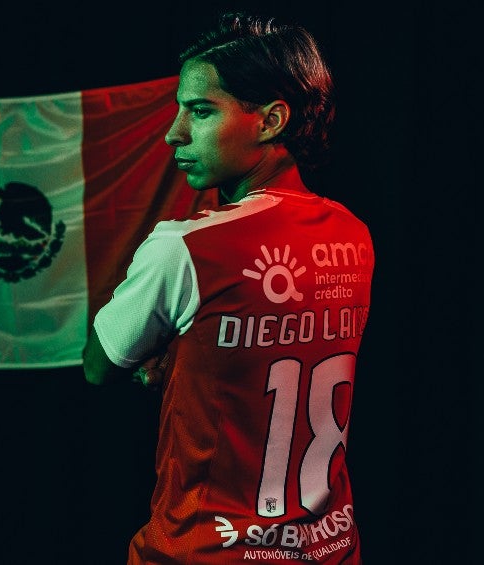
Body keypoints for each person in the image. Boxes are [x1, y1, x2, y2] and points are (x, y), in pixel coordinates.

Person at [83, 12, 373, 565]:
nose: (174, 133)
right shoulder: (353, 235)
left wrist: (165, 349)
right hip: (330, 548)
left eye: (200, 110)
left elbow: (100, 365)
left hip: (206, 551)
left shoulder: (188, 246)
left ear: (270, 121)